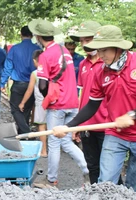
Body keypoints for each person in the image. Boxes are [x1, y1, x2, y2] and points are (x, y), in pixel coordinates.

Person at [53, 25, 136, 193]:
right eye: (99, 50)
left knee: (134, 190)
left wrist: (133, 114)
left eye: (104, 50)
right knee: (105, 185)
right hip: (115, 134)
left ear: (118, 48)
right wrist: (69, 126)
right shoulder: (100, 73)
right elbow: (91, 105)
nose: (101, 55)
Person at [28, 19, 89, 187]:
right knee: (67, 142)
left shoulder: (46, 55)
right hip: (73, 102)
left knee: (54, 142)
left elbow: (42, 85)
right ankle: (87, 169)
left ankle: (51, 180)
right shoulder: (64, 50)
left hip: (58, 105)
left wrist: (48, 99)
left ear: (38, 36)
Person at [69, 20, 105, 184]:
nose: (84, 44)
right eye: (82, 41)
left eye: (87, 40)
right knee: (92, 165)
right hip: (87, 124)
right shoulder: (83, 64)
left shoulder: (108, 63)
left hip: (105, 124)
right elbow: (82, 95)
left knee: (108, 167)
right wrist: (78, 124)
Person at [1, 26, 41, 135]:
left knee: (15, 110)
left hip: (18, 85)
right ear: (32, 35)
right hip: (33, 85)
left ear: (21, 34)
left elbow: (8, 67)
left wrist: (3, 82)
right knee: (26, 111)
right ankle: (23, 136)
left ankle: (27, 133)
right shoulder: (37, 50)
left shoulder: (14, 48)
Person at [18, 49, 47, 157]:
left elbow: (29, 90)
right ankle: (54, 150)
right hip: (53, 103)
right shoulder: (51, 71)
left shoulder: (35, 73)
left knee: (42, 126)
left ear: (35, 61)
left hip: (41, 103)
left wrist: (22, 103)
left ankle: (44, 151)